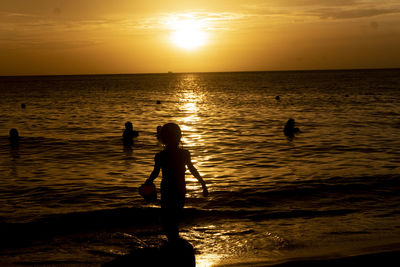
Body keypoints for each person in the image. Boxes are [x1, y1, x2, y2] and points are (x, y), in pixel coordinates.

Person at [144, 123, 208, 241]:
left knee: (167, 218)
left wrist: (148, 182)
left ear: (163, 138)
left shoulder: (161, 155)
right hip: (179, 189)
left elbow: (155, 173)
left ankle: (172, 241)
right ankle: (174, 241)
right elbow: (193, 169)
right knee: (175, 217)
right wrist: (202, 183)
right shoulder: (184, 154)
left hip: (167, 190)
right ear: (179, 137)